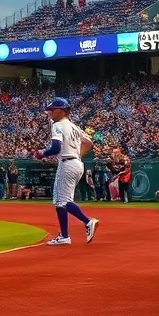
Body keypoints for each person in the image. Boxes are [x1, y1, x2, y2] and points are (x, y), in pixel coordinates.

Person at [33, 96, 98, 245]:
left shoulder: (59, 125)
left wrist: (42, 153)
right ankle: (64, 236)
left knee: (63, 200)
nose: (50, 112)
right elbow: (89, 143)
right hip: (76, 163)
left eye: (52, 110)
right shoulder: (73, 126)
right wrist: (78, 154)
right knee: (59, 201)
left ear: (61, 111)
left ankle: (87, 222)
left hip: (67, 163)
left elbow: (56, 147)